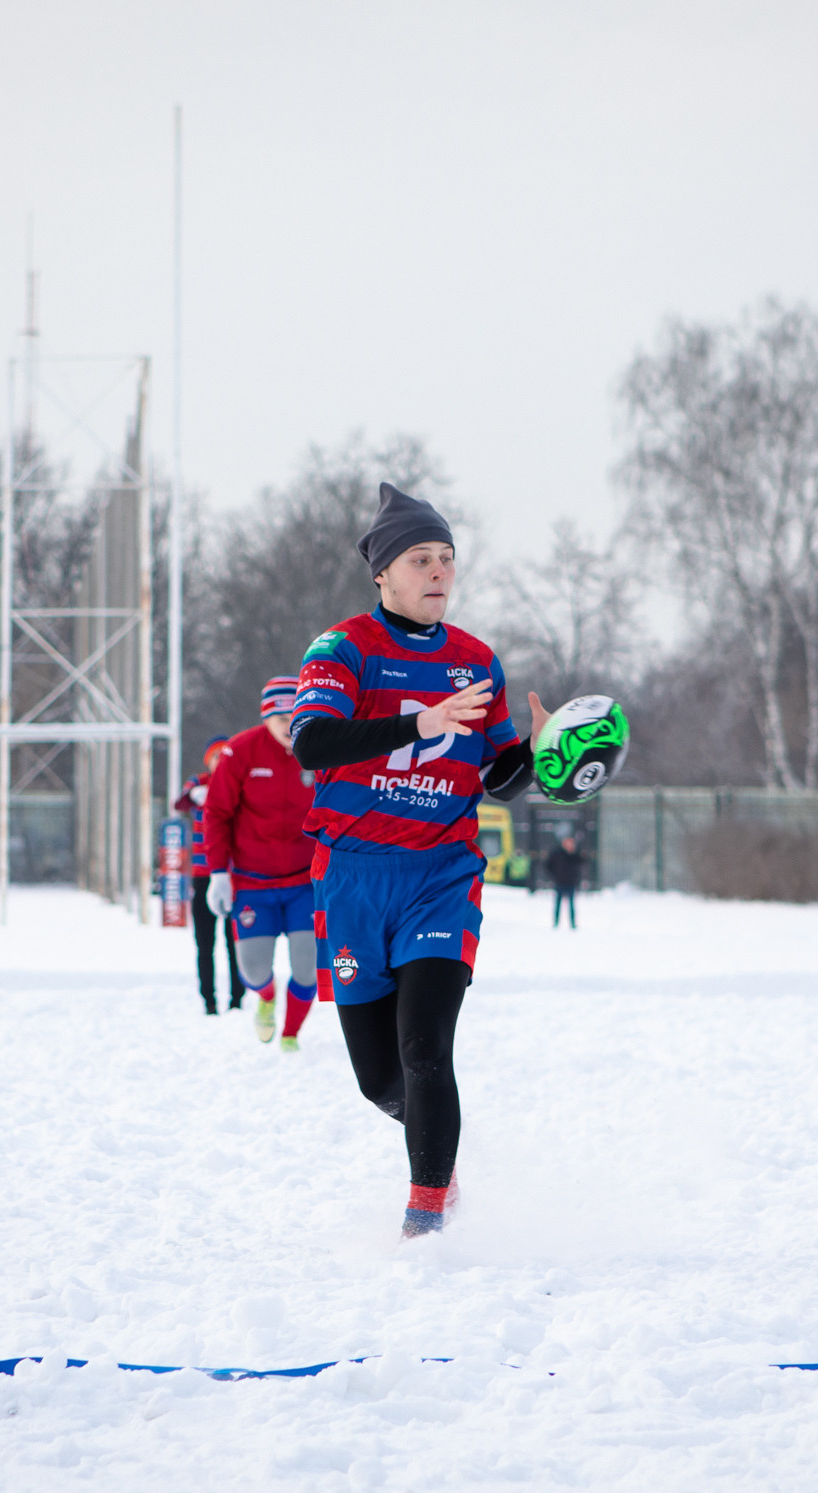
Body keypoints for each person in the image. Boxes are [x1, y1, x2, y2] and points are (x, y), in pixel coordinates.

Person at [290, 482, 543, 1238]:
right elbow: (311, 743)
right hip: (355, 882)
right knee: (382, 1082)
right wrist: (416, 721)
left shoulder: (476, 662)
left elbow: (496, 775)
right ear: (383, 574)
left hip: (441, 876)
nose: (438, 571)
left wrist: (540, 755)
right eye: (421, 557)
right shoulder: (341, 651)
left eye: (447, 558)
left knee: (427, 1046)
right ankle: (434, 1151)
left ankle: (425, 1216)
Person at [203, 678, 319, 1050]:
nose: (289, 724)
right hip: (253, 882)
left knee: (308, 968)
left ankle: (290, 1035)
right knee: (252, 970)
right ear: (265, 718)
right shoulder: (241, 751)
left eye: (296, 715)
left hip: (306, 883)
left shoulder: (320, 749)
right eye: (280, 717)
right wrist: (218, 872)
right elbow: (216, 813)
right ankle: (266, 998)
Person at [176, 735, 246, 1015]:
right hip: (203, 875)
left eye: (224, 756)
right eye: (216, 756)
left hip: (233, 874)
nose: (220, 761)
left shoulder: (239, 783)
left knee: (235, 942)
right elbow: (180, 803)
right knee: (205, 943)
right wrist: (193, 795)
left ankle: (237, 999)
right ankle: (209, 999)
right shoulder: (199, 783)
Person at [544, 834, 586, 930]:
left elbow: (582, 861)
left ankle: (573, 923)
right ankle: (556, 922)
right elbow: (548, 865)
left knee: (571, 904)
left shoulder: (574, 854)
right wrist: (554, 875)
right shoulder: (557, 854)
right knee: (558, 903)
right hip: (559, 882)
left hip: (571, 882)